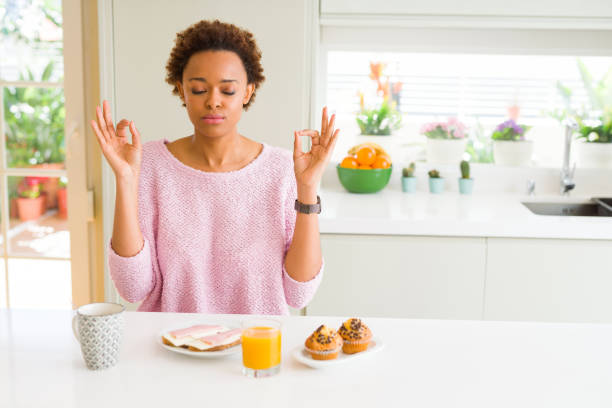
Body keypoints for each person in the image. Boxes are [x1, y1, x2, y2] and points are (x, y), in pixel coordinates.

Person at [90, 19, 339, 315]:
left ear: (247, 92)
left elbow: (299, 294)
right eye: (198, 90)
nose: (213, 102)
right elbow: (133, 288)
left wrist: (307, 188)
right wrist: (126, 180)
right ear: (181, 90)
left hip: (256, 350)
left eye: (228, 91)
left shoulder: (282, 169)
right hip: (169, 349)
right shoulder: (150, 164)